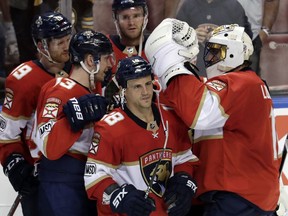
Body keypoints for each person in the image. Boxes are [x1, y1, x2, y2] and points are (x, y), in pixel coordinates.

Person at [145, 19, 280, 216]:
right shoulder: (240, 86)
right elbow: (188, 95)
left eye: (216, 52)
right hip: (239, 196)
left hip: (239, 197)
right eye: (208, 52)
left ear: (234, 53)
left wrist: (172, 62)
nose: (209, 58)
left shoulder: (244, 83)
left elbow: (198, 113)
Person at [84, 56, 199, 216]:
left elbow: (184, 158)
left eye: (147, 84)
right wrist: (119, 196)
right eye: (137, 87)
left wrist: (183, 178)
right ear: (124, 90)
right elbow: (94, 175)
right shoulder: (110, 127)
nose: (145, 92)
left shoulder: (171, 118)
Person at [31, 29, 114, 215]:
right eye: (107, 58)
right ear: (91, 60)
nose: (110, 64)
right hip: (62, 184)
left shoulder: (90, 93)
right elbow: (48, 145)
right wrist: (74, 118)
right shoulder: (60, 88)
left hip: (86, 179)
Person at [0, 12, 72, 216]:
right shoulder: (24, 80)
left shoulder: (79, 69)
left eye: (68, 39)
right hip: (39, 174)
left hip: (74, 171)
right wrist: (14, 165)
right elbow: (7, 135)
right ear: (41, 46)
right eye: (60, 42)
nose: (67, 46)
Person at [176, 0, 252, 76]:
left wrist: (225, 37)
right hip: (195, 69)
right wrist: (191, 35)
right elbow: (175, 36)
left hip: (225, 70)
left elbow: (246, 37)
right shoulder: (188, 4)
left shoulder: (234, 6)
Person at [237, 0, 280, 76]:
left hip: (251, 39)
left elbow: (271, 1)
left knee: (250, 84)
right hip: (218, 37)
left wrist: (265, 31)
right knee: (217, 84)